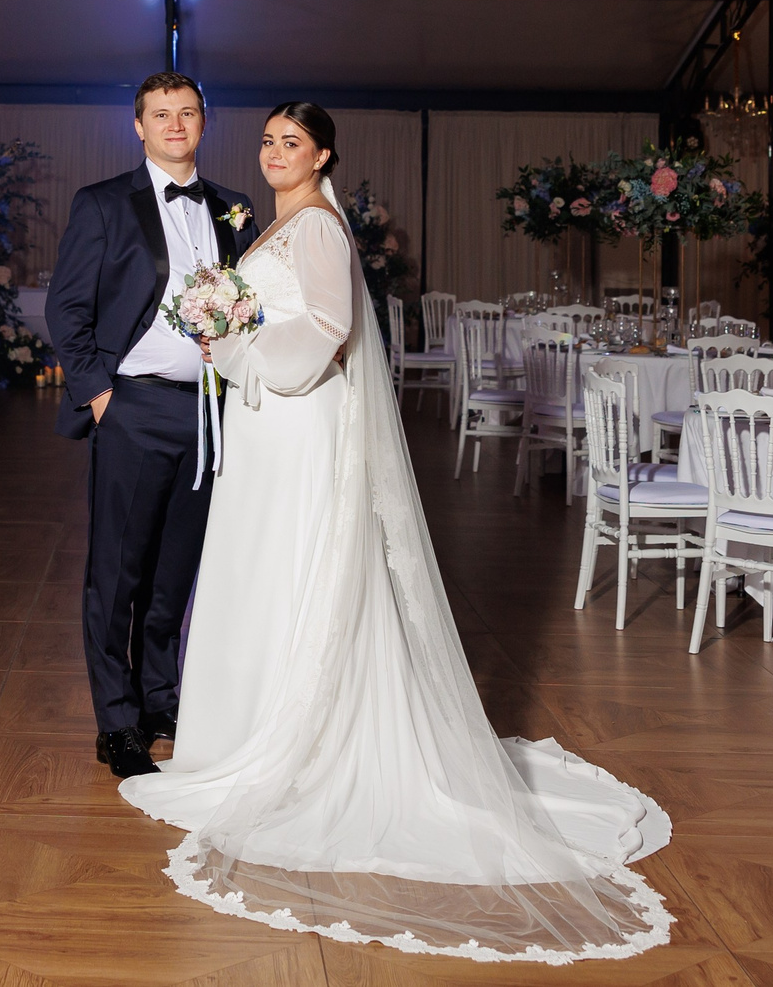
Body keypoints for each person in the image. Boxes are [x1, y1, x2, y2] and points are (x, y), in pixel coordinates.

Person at [118, 102, 674, 964]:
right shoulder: (282, 224)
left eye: (292, 143)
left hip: (297, 419)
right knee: (260, 570)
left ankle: (290, 745)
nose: (274, 152)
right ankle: (240, 733)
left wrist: (240, 340)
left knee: (289, 567)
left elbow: (328, 330)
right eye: (267, 140)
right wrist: (229, 331)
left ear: (323, 155)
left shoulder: (318, 227)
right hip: (267, 422)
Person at [45, 72, 261, 781]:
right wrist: (101, 397)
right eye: (160, 114)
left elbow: (250, 305)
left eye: (187, 112)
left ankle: (160, 703)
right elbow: (66, 309)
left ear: (204, 121)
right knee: (118, 573)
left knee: (175, 573)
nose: (175, 124)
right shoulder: (103, 203)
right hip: (132, 407)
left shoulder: (233, 208)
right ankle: (117, 723)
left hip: (208, 410)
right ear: (138, 126)